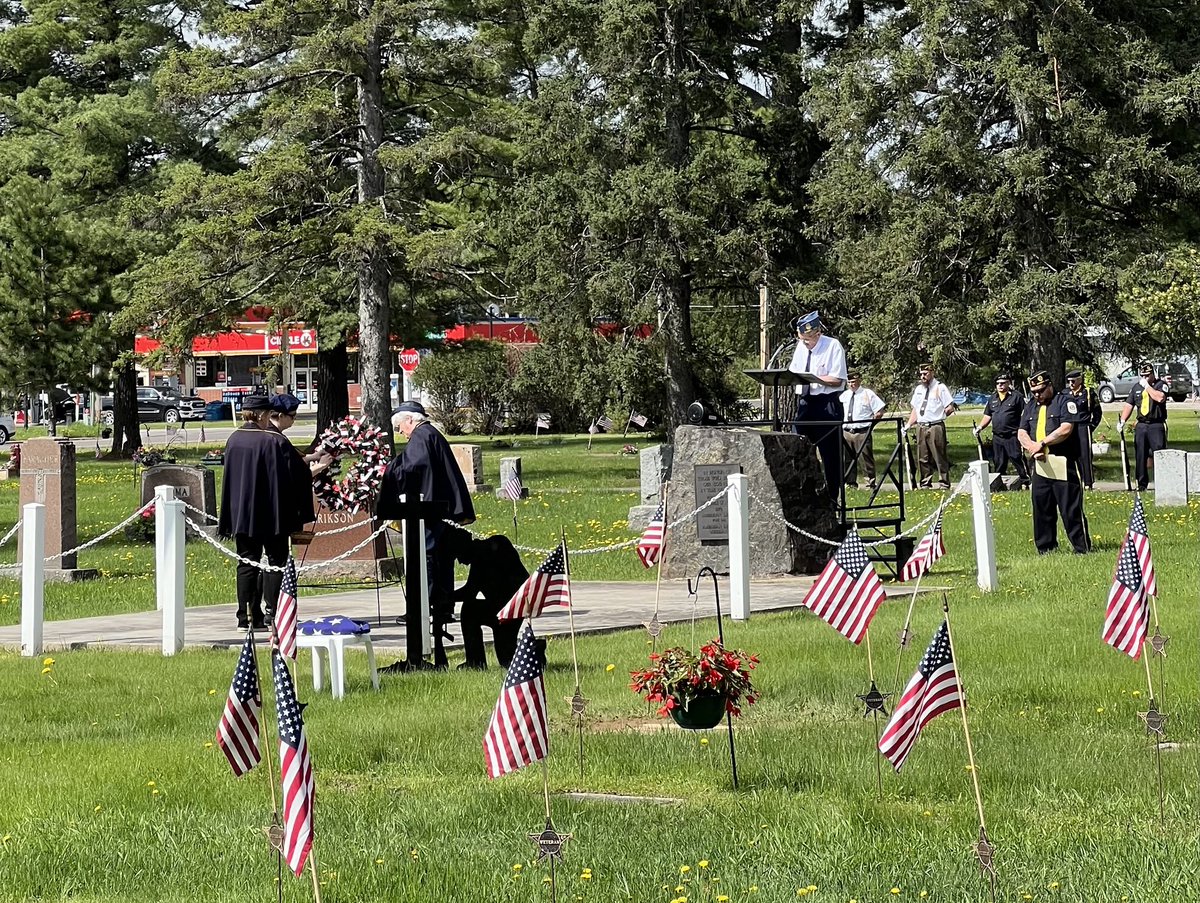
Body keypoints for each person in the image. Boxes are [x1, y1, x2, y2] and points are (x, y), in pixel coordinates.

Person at [376, 401, 476, 665]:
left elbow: (413, 467)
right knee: (439, 559)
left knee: (429, 557)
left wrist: (387, 470)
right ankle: (440, 605)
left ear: (410, 420)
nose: (401, 433)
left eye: (400, 427)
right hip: (439, 510)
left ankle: (427, 605)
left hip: (430, 514)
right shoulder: (430, 434)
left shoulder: (421, 436)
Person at [218, 395, 328, 629]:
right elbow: (294, 475)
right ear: (260, 415)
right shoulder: (273, 441)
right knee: (276, 561)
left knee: (247, 562)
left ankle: (246, 616)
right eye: (268, 413)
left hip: (242, 514)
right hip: (271, 513)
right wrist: (315, 470)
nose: (269, 417)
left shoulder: (234, 439)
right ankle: (274, 613)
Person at [1018, 371, 1089, 554]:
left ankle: (1082, 548)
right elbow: (1022, 432)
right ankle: (1046, 547)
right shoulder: (1031, 406)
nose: (1037, 395)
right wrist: (1033, 448)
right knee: (1042, 507)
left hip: (1062, 463)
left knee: (1070, 509)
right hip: (1040, 464)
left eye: (1040, 391)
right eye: (1033, 391)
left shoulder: (1064, 402)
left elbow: (1066, 428)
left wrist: (1042, 443)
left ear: (1049, 386)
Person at [438, 525, 528, 670]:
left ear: (464, 547)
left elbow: (469, 592)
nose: (460, 562)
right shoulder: (490, 547)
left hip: (508, 608)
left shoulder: (483, 554)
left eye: (458, 555)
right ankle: (532, 656)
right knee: (507, 658)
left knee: (470, 609)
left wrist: (445, 598)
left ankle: (475, 662)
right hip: (513, 606)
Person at [787, 311, 848, 498]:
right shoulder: (801, 347)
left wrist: (816, 379)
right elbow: (794, 371)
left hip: (826, 404)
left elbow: (838, 379)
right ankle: (803, 493)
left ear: (818, 333)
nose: (805, 343)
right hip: (805, 403)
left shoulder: (832, 346)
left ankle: (832, 497)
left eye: (808, 340)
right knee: (797, 447)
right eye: (802, 339)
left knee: (830, 454)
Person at [1117, 362, 1168, 492]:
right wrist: (1123, 420)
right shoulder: (1136, 387)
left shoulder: (1160, 385)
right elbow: (1129, 404)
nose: (1145, 378)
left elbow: (1160, 398)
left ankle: (1163, 482)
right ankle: (1141, 484)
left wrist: (1148, 387)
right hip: (1141, 425)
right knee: (1140, 455)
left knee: (1159, 454)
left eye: (1147, 375)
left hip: (1156, 424)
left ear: (1153, 374)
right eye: (1143, 375)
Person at [905, 362, 956, 489]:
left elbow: (949, 407)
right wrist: (908, 425)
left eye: (925, 374)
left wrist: (941, 415)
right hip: (921, 426)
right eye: (921, 374)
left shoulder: (940, 387)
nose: (923, 376)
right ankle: (925, 483)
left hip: (935, 426)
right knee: (923, 456)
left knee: (939, 455)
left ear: (932, 373)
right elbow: (916, 410)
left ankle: (944, 482)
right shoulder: (919, 390)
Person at [975, 374, 1029, 489]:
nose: (1000, 385)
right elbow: (987, 416)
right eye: (998, 383)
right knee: (998, 461)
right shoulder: (992, 398)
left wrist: (1023, 430)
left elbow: (1025, 414)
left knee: (1017, 458)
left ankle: (1026, 481)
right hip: (997, 437)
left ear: (1008, 383)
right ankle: (999, 483)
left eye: (1003, 383)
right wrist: (979, 427)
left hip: (1012, 435)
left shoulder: (1016, 397)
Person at [839, 370, 886, 489]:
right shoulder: (844, 395)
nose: (851, 384)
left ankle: (870, 483)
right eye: (849, 382)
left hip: (862, 431)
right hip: (847, 431)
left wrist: (871, 425)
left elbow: (879, 411)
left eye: (854, 381)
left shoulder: (867, 393)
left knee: (865, 458)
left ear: (859, 381)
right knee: (847, 459)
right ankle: (850, 483)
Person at [1064, 370, 1102, 489]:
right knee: (1070, 454)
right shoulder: (1065, 394)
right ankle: (1072, 481)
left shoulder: (1088, 393)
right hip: (1069, 426)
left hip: (1083, 426)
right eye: (1069, 381)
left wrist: (1091, 426)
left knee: (1085, 455)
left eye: (1073, 381)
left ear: (1080, 380)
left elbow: (1097, 412)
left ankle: (1088, 482)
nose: (1071, 384)